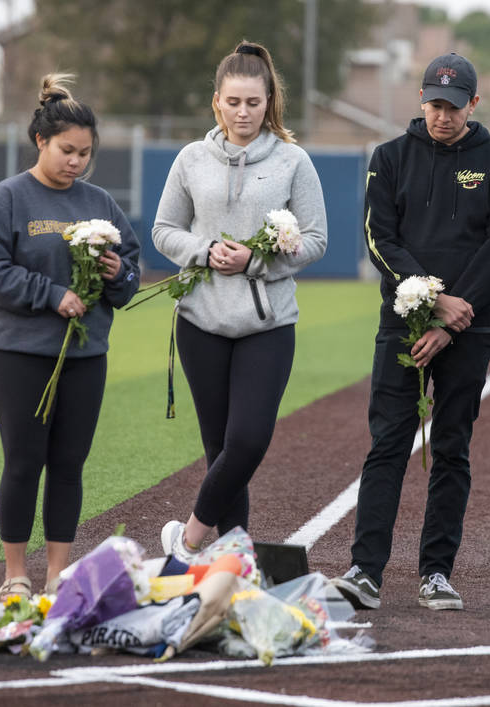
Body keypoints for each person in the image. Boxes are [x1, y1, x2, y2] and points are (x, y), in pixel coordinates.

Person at [331, 52, 490, 611]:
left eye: (455, 106)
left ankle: (436, 572)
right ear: (421, 99)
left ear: (474, 104)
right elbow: (379, 238)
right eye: (435, 104)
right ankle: (366, 570)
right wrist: (432, 304)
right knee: (388, 443)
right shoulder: (389, 158)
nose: (443, 115)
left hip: (472, 325)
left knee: (451, 448)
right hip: (403, 326)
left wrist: (455, 317)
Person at [153, 41, 328, 561]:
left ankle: (186, 540)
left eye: (253, 102)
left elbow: (316, 239)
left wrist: (254, 262)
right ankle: (236, 565)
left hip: (267, 325)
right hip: (200, 323)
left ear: (269, 100)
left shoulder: (294, 161)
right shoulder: (191, 159)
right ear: (216, 103)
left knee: (248, 442)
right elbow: (164, 230)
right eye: (233, 102)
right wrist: (205, 251)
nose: (243, 112)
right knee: (220, 452)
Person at [0, 74, 141, 600]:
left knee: (68, 465)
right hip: (18, 353)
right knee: (24, 461)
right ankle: (15, 574)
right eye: (67, 150)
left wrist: (118, 275)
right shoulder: (8, 199)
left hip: (86, 355)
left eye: (85, 154)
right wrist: (51, 294)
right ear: (40, 141)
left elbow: (132, 273)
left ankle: (57, 576)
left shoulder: (100, 203)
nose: (77, 162)